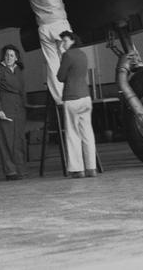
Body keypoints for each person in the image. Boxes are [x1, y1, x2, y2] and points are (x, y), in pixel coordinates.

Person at [26, 0, 74, 104]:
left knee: (53, 63)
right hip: (59, 24)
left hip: (44, 28)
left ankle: (60, 99)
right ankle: (73, 92)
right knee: (68, 56)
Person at [56, 31, 98, 179]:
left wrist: (62, 58)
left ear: (72, 40)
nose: (63, 44)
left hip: (72, 97)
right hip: (85, 96)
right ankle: (91, 168)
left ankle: (77, 169)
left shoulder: (67, 55)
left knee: (73, 134)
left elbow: (60, 77)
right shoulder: (83, 54)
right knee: (87, 133)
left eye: (65, 41)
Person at [0, 45, 28, 180]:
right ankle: (11, 171)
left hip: (19, 109)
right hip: (6, 108)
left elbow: (23, 90)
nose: (9, 57)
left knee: (19, 140)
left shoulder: (19, 70)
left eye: (12, 55)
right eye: (6, 55)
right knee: (7, 141)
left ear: (16, 57)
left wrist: (26, 106)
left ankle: (21, 170)